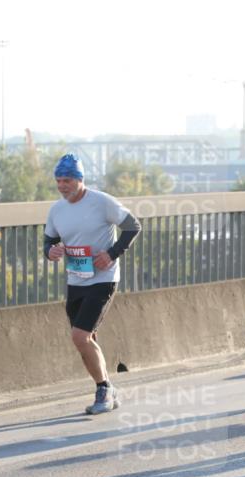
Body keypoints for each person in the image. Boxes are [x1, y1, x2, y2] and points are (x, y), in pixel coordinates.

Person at [44, 154, 141, 414]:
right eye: (58, 181)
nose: (62, 185)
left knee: (80, 335)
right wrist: (51, 251)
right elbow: (49, 241)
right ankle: (108, 388)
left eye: (67, 180)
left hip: (104, 279)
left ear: (80, 180)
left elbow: (133, 226)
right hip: (76, 279)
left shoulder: (101, 202)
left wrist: (111, 253)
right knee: (85, 339)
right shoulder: (57, 210)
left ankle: (103, 390)